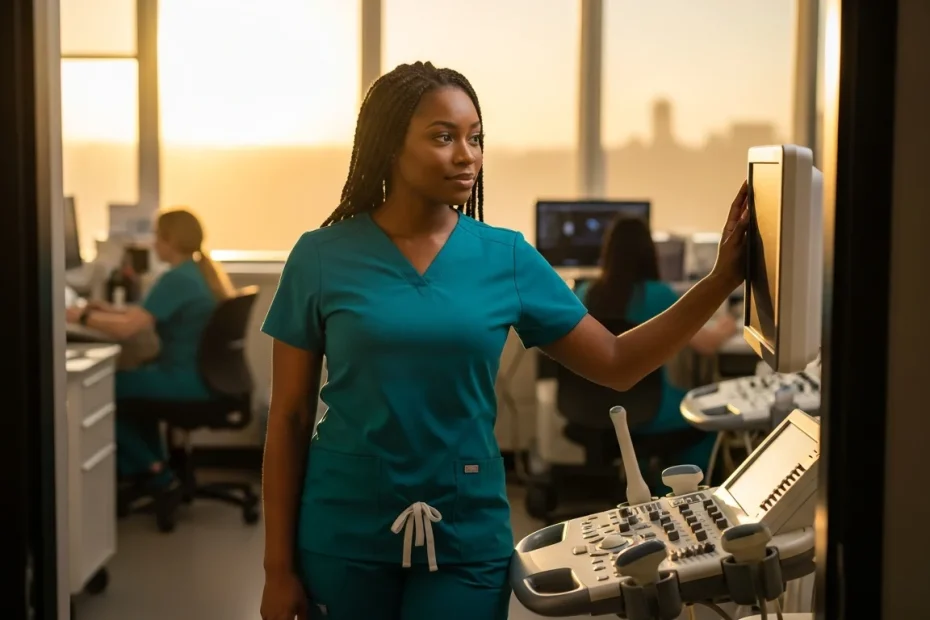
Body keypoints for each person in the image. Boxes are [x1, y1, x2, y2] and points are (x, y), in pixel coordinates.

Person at [260, 61, 750, 620]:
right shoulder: (320, 257)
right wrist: (277, 569)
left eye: (475, 138)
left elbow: (617, 363)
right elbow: (289, 417)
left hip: (466, 532)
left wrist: (720, 281)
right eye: (443, 137)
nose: (467, 155)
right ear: (389, 145)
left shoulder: (507, 257)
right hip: (342, 528)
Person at [66, 208, 234, 513]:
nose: (154, 243)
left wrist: (82, 317)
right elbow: (141, 315)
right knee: (130, 392)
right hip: (198, 377)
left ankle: (156, 472)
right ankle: (154, 468)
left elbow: (129, 328)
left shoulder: (176, 279)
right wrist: (106, 310)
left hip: (185, 380)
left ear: (171, 240)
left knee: (103, 392)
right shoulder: (193, 272)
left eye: (158, 236)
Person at [574, 216, 739, 476]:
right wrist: (728, 326)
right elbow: (707, 345)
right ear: (649, 253)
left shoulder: (584, 292)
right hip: (649, 411)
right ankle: (677, 488)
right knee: (707, 420)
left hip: (590, 408)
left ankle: (639, 477)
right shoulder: (659, 294)